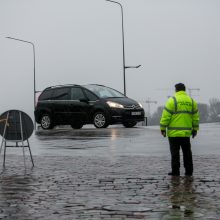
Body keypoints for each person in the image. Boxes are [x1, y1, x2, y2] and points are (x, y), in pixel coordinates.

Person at [160, 83, 199, 176]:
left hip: (173, 134)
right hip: (186, 133)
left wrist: (162, 128)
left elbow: (165, 117)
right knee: (187, 153)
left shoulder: (172, 101)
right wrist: (195, 129)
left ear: (176, 90)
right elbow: (195, 117)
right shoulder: (192, 101)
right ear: (184, 90)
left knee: (175, 153)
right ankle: (189, 171)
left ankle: (175, 171)